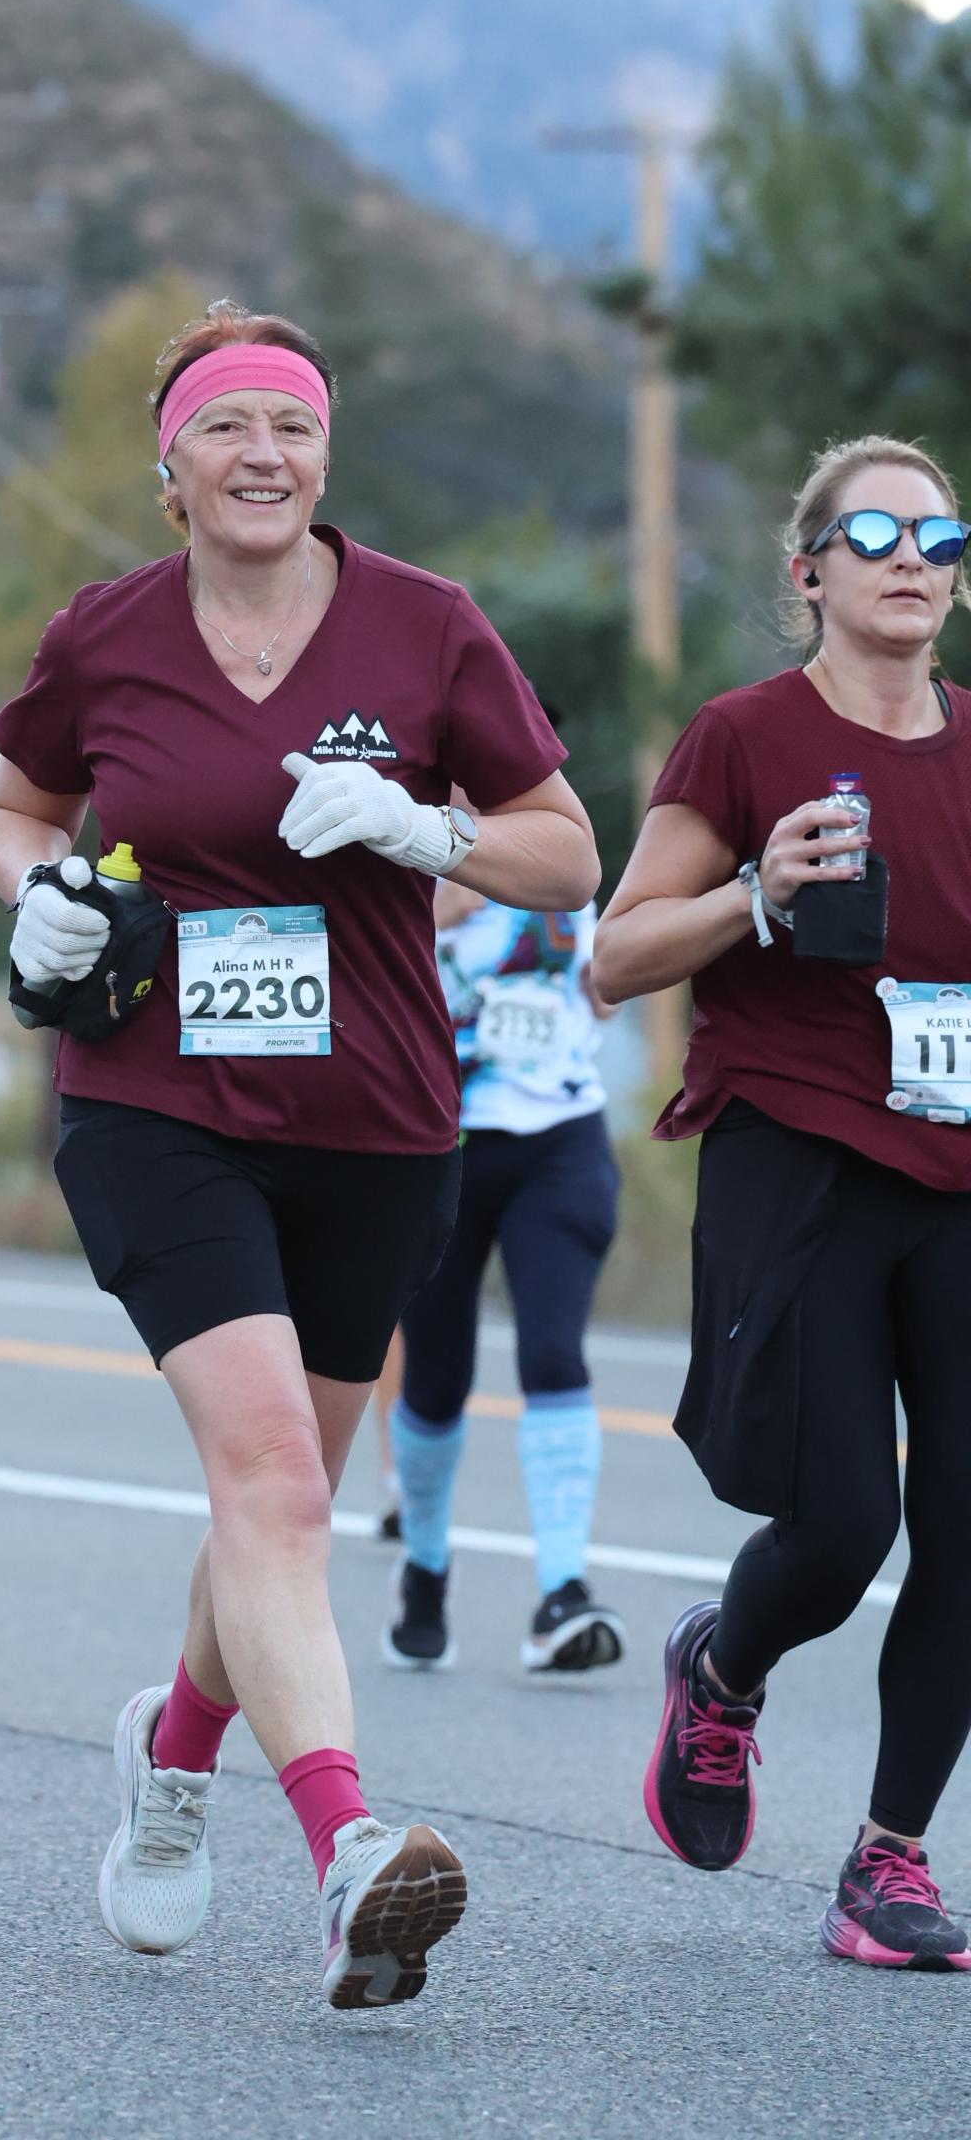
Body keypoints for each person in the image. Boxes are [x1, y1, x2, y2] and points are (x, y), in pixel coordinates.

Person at [0, 302, 599, 2008]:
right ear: (170, 466)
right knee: (267, 1473)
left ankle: (173, 1760)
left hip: (376, 1121)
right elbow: (17, 808)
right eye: (229, 426)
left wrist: (423, 827)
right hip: (153, 1104)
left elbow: (565, 854)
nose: (264, 453)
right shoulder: (103, 635)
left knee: (286, 1504)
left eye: (294, 427)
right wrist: (39, 897)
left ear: (327, 458)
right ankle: (347, 1851)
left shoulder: (427, 626)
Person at [595, 434, 971, 1971]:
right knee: (842, 1525)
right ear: (809, 571)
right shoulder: (745, 738)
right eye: (874, 533)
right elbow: (616, 954)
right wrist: (757, 890)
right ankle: (725, 1669)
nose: (912, 557)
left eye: (940, 536)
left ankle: (891, 1860)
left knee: (966, 1530)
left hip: (962, 1166)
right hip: (801, 1151)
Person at [384, 739, 625, 1677]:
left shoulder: (554, 857)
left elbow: (601, 990)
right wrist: (433, 905)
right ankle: (424, 1566)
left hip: (560, 1139)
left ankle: (563, 1590)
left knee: (555, 1352)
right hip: (439, 1144)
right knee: (436, 1379)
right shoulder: (397, 855)